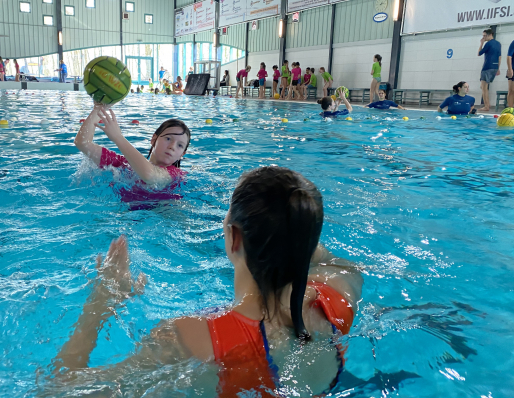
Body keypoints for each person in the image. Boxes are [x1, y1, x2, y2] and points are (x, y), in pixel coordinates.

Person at [52, 166, 362, 397]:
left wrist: (101, 300)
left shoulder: (189, 339)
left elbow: (57, 391)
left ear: (234, 237)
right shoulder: (337, 297)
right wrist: (294, 234)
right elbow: (338, 263)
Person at [74, 104, 190, 191]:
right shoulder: (125, 164)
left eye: (180, 145)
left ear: (182, 155)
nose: (172, 147)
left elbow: (149, 175)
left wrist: (118, 137)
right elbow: (82, 143)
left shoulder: (175, 174)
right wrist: (98, 108)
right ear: (154, 139)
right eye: (168, 139)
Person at [478, 28, 501, 112]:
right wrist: (498, 68)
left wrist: (481, 44)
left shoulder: (488, 44)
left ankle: (486, 106)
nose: (483, 38)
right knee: (483, 86)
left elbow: (479, 53)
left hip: (487, 67)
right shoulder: (498, 44)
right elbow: (499, 57)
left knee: (484, 87)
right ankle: (487, 104)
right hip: (494, 67)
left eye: (484, 36)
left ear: (490, 34)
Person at [507, 39, 514, 108]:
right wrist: (510, 69)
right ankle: (511, 109)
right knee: (511, 90)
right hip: (513, 69)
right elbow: (509, 56)